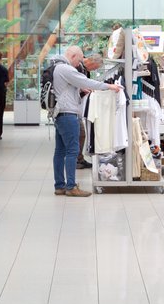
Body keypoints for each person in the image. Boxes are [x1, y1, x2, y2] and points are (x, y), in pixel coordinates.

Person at [51, 46, 122, 197]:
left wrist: (79, 89)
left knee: (60, 152)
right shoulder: (67, 69)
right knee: (72, 151)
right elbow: (89, 82)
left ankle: (59, 186)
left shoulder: (57, 66)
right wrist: (110, 86)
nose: (79, 63)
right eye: (79, 60)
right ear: (74, 55)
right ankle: (71, 187)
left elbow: (71, 87)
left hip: (60, 114)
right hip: (68, 115)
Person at [76, 53, 104, 169]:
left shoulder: (84, 69)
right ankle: (77, 160)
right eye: (95, 67)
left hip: (77, 106)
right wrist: (83, 89)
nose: (94, 70)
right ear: (91, 62)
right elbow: (75, 85)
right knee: (81, 133)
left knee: (80, 134)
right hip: (73, 107)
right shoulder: (78, 68)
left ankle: (78, 159)